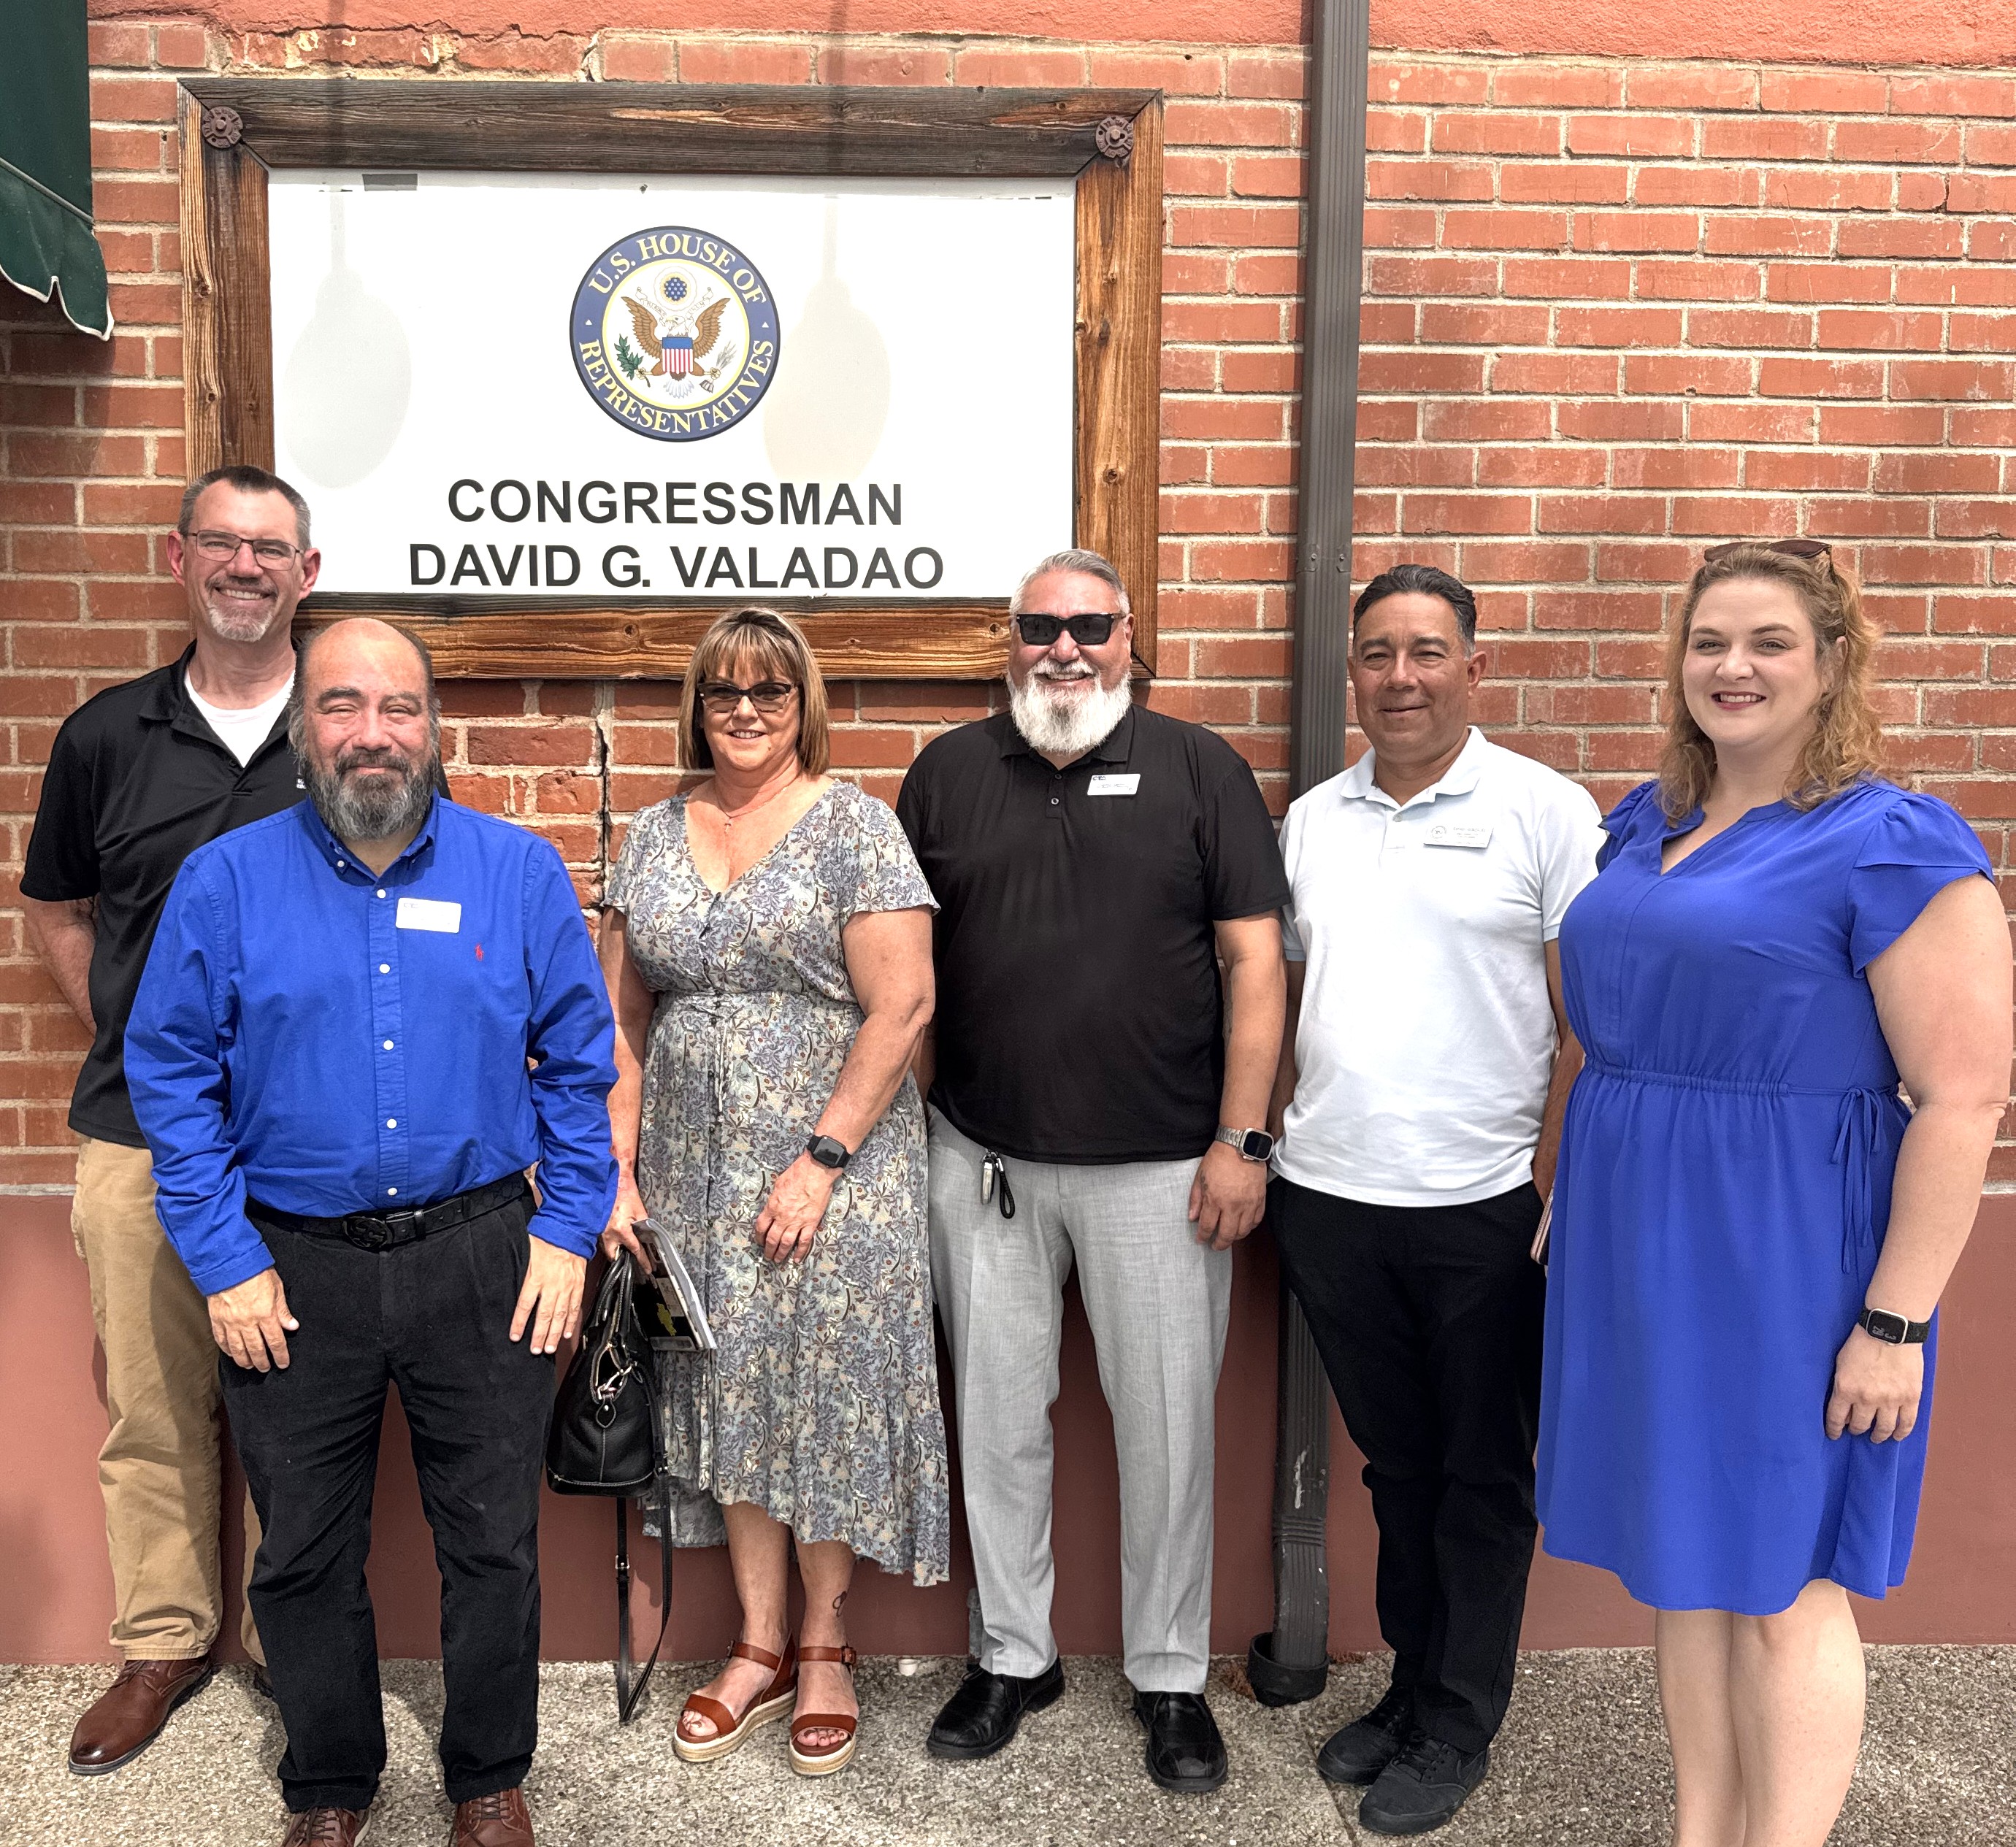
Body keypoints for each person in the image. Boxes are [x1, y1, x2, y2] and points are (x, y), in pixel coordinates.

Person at [1537, 542, 2011, 1847]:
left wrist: (1897, 1321)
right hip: (1637, 1237)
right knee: (1681, 1566)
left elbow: (1963, 1099)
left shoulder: (1892, 843)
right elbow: (1606, 1039)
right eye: (1706, 641)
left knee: (1782, 1579)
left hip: (1785, 1251)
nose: (1729, 667)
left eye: (1766, 643)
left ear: (1831, 663)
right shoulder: (1653, 823)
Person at [124, 618, 616, 1847]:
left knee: (493, 1542)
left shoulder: (518, 872)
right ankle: (330, 1785)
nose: (373, 732)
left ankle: (489, 1779)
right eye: (344, 705)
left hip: (489, 1257)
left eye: (398, 706)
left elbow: (579, 1065)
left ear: (433, 724)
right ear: (306, 726)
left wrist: (566, 1228)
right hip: (288, 1267)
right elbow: (170, 1075)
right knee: (299, 1551)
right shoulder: (225, 881)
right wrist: (224, 1256)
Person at [897, 547, 1289, 1795]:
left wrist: (1241, 1140)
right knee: (998, 1422)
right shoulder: (948, 773)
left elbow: (1255, 968)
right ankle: (1014, 1653)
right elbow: (904, 977)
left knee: (1165, 1430)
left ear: (1130, 637)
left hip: (1164, 1170)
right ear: (1007, 641)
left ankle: (1170, 1673)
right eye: (1038, 626)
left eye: (1088, 626)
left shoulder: (1199, 769)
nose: (1063, 648)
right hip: (984, 1160)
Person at [1266, 564, 1603, 1834]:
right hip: (1331, 1197)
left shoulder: (1543, 812)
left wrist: (1550, 1186)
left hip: (1480, 1209)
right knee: (1394, 1468)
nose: (1397, 677)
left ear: (1474, 666)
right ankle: (1409, 1687)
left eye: (1424, 651)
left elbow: (1588, 1026)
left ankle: (1459, 1720)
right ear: (1350, 672)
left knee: (1476, 1476)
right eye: (1375, 654)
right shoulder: (1313, 819)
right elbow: (1293, 1006)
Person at [599, 606, 945, 1778]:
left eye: (770, 691)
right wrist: (618, 1172)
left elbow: (901, 1005)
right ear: (696, 705)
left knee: (823, 1390)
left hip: (836, 1171)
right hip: (689, 1174)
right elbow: (622, 1017)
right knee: (724, 1387)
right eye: (723, 691)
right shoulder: (649, 832)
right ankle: (752, 1643)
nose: (745, 710)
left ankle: (824, 1640)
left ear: (805, 705)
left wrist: (821, 1158)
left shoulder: (857, 825)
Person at [18, 463, 315, 1773]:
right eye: (221, 543)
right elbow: (58, 908)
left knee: (306, 1405)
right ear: (178, 558)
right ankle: (163, 1638)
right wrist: (143, 1044)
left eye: (270, 547)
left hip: (317, 1141)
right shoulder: (104, 736)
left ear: (307, 571)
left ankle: (296, 1638)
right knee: (152, 1399)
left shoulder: (355, 728)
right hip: (139, 1130)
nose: (244, 567)